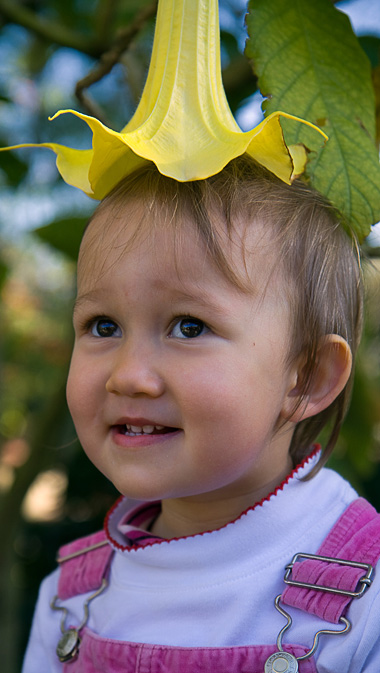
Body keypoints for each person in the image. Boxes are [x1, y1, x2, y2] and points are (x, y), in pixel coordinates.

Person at [22, 157, 380, 672]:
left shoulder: (364, 595)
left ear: (307, 377)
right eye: (103, 326)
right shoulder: (71, 598)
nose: (128, 376)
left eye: (189, 327)